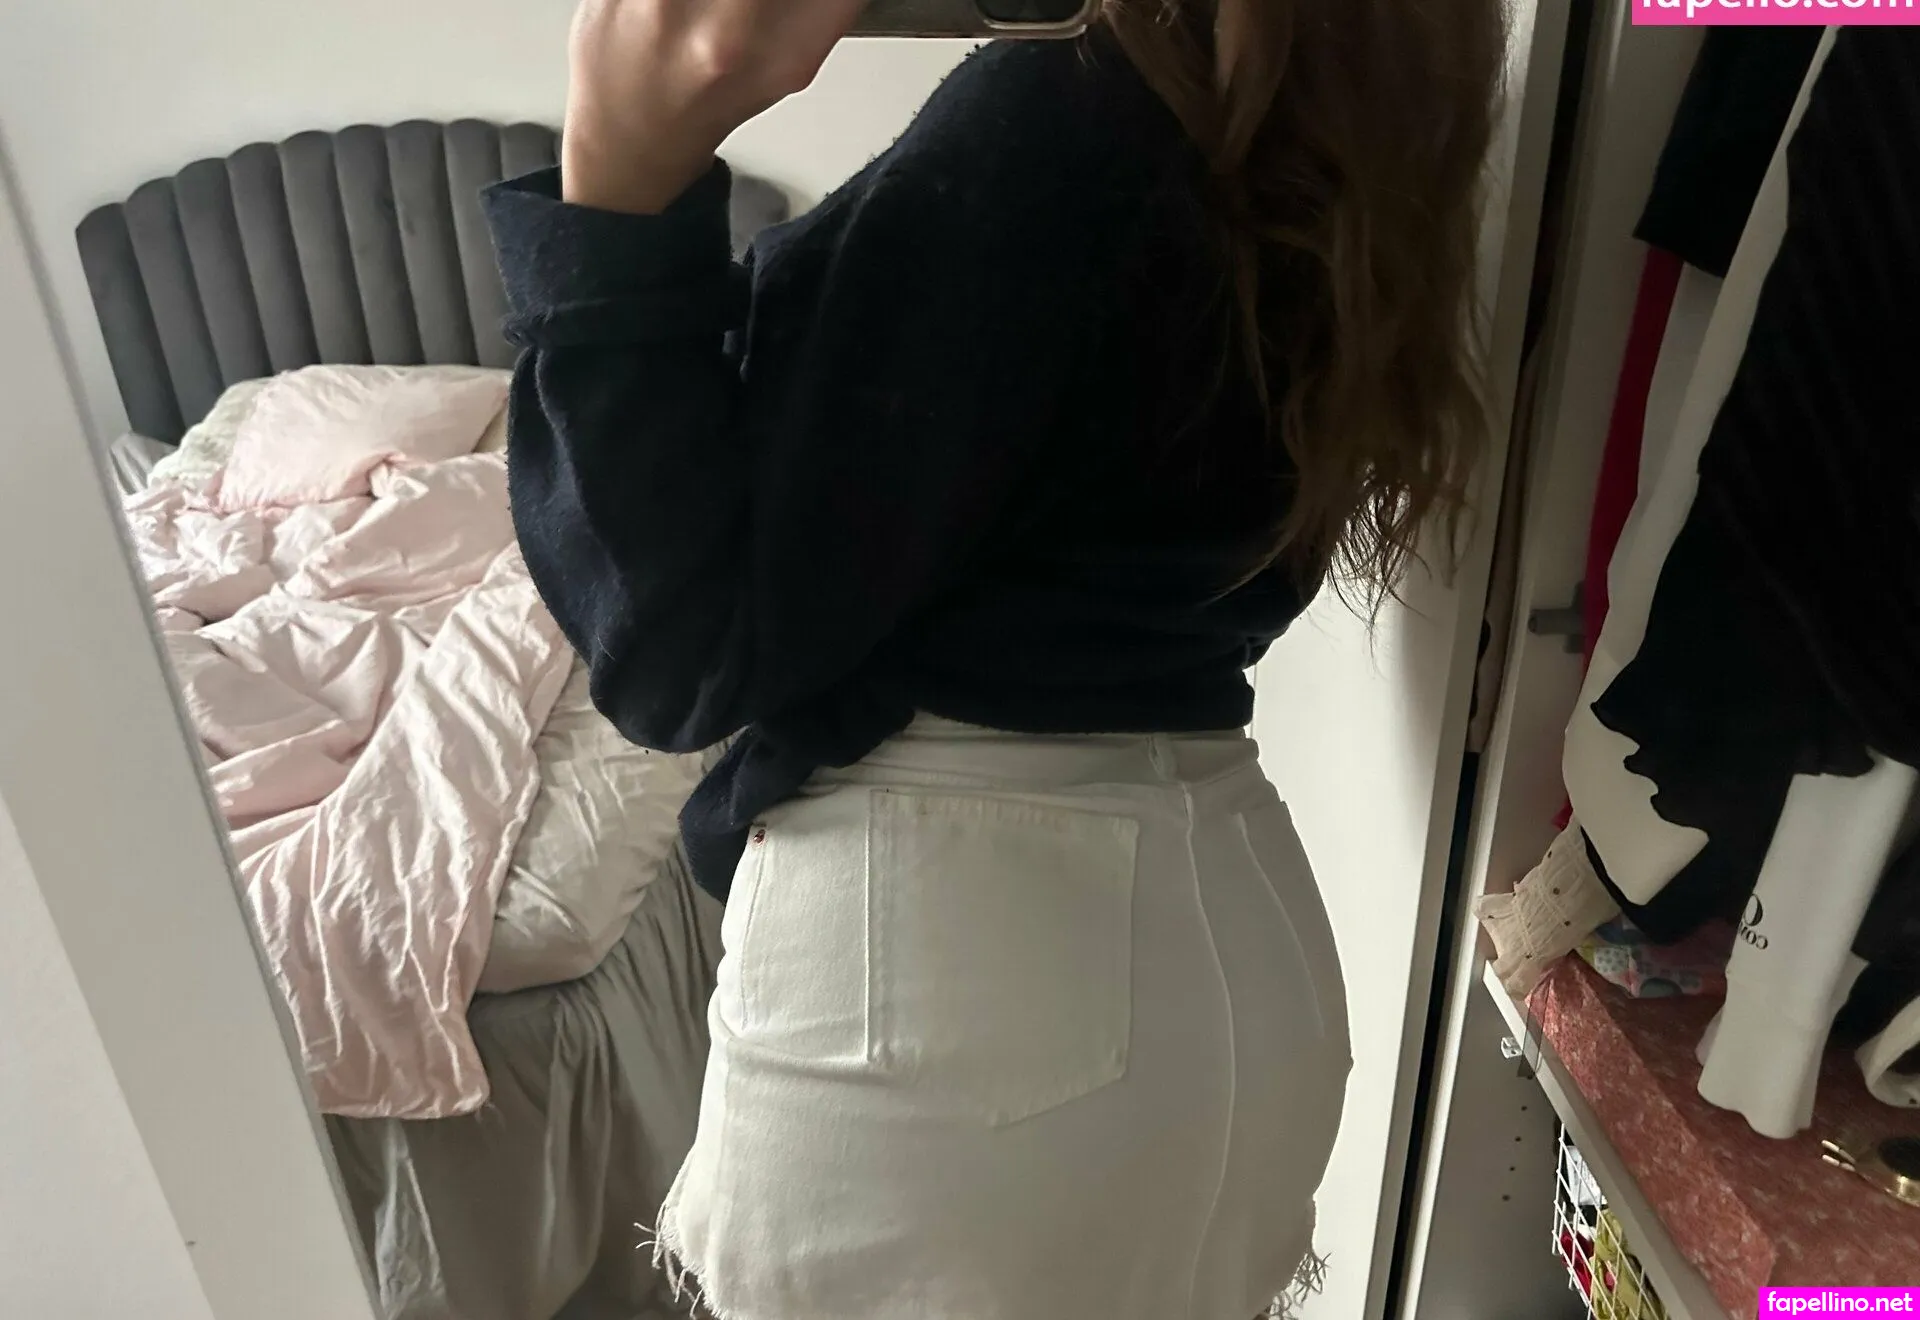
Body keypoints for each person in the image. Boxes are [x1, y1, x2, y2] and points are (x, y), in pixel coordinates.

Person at [482, 0, 1500, 1315]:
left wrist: (620, 180)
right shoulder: (1332, 113)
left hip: (963, 999)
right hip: (1232, 957)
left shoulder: (1061, 123)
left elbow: (674, 644)